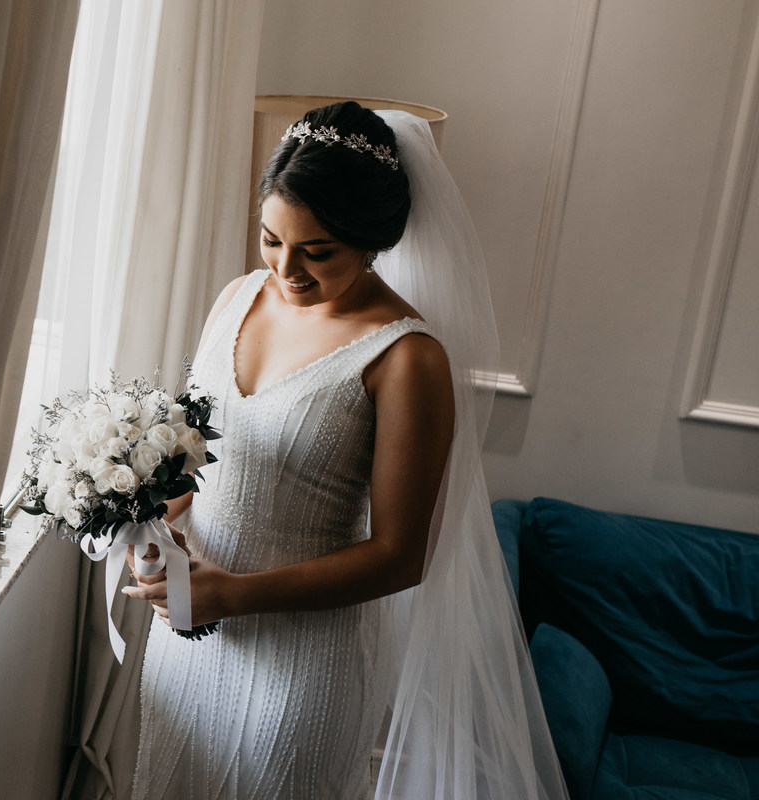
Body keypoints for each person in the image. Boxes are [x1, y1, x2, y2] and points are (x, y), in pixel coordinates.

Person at [122, 103, 569, 799]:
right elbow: (189, 465)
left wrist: (231, 596)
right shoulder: (237, 297)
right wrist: (154, 538)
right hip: (187, 638)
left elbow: (401, 555)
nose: (286, 270)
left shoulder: (406, 358)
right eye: (272, 240)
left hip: (304, 671)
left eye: (317, 250)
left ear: (371, 239)